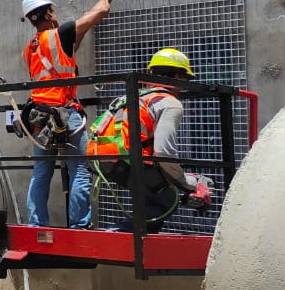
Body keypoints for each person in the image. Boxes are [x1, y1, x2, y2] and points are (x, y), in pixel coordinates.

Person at [87, 47, 213, 231]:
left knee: (153, 194)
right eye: (185, 80)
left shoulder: (132, 97)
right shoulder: (169, 102)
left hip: (100, 157)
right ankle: (113, 235)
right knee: (168, 200)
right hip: (127, 159)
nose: (183, 87)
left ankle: (127, 241)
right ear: (177, 77)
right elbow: (164, 152)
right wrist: (186, 183)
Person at [20, 0, 112, 228]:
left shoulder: (30, 48)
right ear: (50, 12)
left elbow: (73, 42)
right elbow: (100, 13)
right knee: (79, 171)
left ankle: (37, 224)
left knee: (41, 173)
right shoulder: (59, 34)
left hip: (40, 117)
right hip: (65, 114)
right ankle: (79, 225)